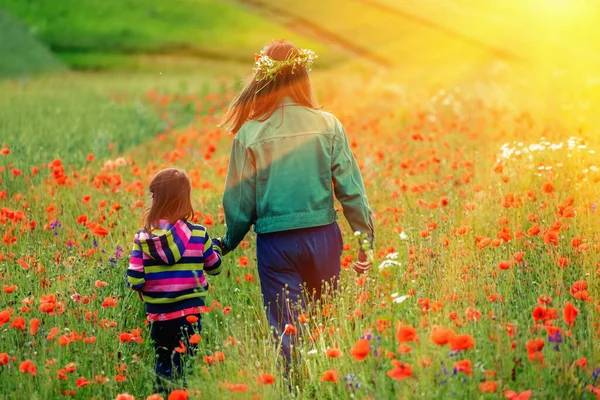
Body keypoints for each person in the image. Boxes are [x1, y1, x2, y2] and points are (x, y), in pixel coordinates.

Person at [217, 40, 374, 364]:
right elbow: (351, 191)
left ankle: (293, 389)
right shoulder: (327, 124)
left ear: (262, 78)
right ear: (303, 75)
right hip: (322, 237)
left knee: (288, 330)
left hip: (276, 244)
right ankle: (326, 382)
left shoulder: (249, 133)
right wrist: (365, 240)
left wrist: (228, 242)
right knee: (324, 324)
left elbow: (239, 202)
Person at [126, 168, 222, 392]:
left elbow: (135, 280)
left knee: (163, 363)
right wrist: (215, 247)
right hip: (191, 316)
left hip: (159, 316)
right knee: (186, 364)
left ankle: (162, 395)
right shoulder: (199, 233)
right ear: (184, 200)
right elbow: (215, 267)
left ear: (155, 200)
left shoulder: (142, 239)